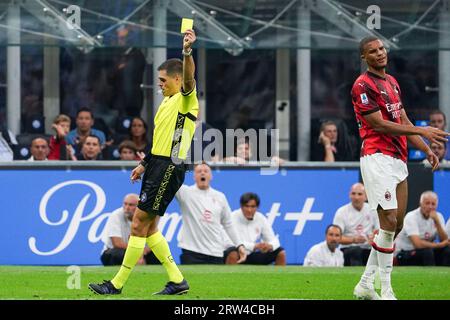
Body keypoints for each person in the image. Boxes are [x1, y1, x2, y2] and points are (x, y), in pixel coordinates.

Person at [89, 28, 199, 296]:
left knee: (138, 222)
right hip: (158, 165)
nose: (159, 84)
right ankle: (177, 280)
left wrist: (186, 51)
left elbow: (189, 76)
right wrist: (144, 163)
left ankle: (116, 284)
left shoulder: (186, 99)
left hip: (170, 166)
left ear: (176, 79)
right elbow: (159, 141)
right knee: (149, 228)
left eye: (163, 80)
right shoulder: (167, 103)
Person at [351, 36, 449, 300]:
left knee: (396, 227)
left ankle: (364, 284)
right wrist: (421, 129)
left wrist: (426, 148)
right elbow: (380, 125)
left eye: (382, 48)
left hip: (398, 157)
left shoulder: (392, 82)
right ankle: (387, 290)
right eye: (373, 51)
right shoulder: (362, 85)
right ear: (365, 57)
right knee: (389, 221)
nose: (380, 53)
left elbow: (401, 118)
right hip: (376, 156)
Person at [175, 163, 247, 264]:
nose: (202, 173)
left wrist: (239, 245)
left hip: (215, 252)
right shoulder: (185, 193)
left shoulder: (220, 197)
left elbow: (228, 224)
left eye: (206, 171)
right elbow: (171, 180)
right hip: (191, 252)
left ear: (211, 176)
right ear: (194, 176)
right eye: (199, 171)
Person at [224, 192, 286, 265]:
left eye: (253, 207)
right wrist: (254, 246)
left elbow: (274, 240)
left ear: (257, 207)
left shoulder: (261, 218)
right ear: (241, 206)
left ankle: (279, 276)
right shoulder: (232, 217)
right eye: (246, 206)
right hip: (236, 253)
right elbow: (228, 242)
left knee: (280, 252)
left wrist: (269, 246)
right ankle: (230, 276)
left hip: (251, 255)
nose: (249, 210)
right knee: (233, 252)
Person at [101, 194, 159, 266]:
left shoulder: (147, 216)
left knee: (158, 253)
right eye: (125, 204)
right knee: (115, 254)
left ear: (139, 206)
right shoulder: (115, 215)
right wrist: (138, 252)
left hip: (141, 251)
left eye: (131, 205)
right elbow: (117, 243)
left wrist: (143, 252)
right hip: (119, 251)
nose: (127, 208)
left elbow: (155, 240)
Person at [395, 191, 450, 266]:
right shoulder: (411, 217)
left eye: (433, 204)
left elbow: (444, 240)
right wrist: (439, 245)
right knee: (427, 252)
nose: (430, 207)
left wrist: (437, 222)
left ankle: (444, 275)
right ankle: (431, 276)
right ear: (420, 204)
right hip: (406, 253)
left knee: (447, 251)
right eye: (427, 203)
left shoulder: (438, 217)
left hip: (426, 250)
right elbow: (417, 244)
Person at [333, 183, 379, 266]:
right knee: (355, 250)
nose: (356, 197)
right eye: (353, 194)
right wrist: (353, 240)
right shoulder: (342, 212)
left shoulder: (373, 210)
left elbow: (378, 230)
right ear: (349, 195)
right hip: (348, 249)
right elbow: (336, 237)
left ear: (366, 196)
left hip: (368, 248)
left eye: (360, 194)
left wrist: (374, 237)